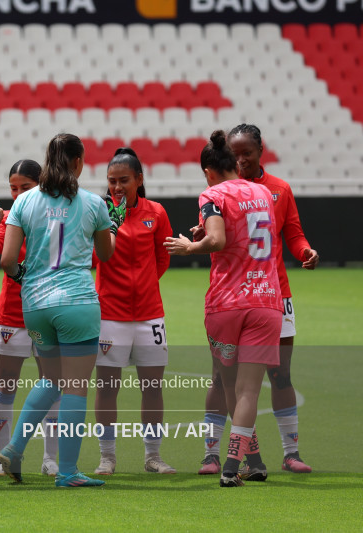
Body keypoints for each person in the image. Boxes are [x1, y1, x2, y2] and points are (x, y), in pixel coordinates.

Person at [0, 133, 123, 488]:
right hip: (77, 305)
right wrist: (114, 225)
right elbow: (107, 254)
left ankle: (16, 448)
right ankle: (67, 472)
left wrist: (26, 279)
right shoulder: (94, 204)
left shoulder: (24, 202)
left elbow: (7, 260)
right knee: (75, 388)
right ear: (79, 163)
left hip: (35, 307)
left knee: (51, 380)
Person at [194, 124, 318, 477]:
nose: (242, 158)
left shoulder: (276, 189)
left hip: (264, 294)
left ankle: (288, 453)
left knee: (278, 375)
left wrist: (305, 250)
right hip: (263, 298)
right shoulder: (253, 193)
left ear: (260, 151)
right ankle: (217, 454)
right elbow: (217, 233)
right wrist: (201, 233)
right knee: (225, 380)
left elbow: (292, 233)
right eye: (236, 153)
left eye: (247, 152)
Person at [165, 130, 283, 487]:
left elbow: (217, 240)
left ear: (208, 171)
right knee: (250, 390)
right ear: (234, 163)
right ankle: (253, 462)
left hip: (227, 303)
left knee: (230, 385)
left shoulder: (211, 194)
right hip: (266, 300)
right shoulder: (263, 192)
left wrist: (190, 246)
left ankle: (230, 467)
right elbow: (248, 235)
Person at [92, 148, 174, 475]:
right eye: (112, 181)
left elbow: (162, 257)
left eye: (124, 180)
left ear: (139, 180)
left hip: (150, 315)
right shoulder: (100, 212)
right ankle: (107, 457)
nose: (117, 187)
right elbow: (95, 257)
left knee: (152, 388)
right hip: (109, 314)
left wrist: (143, 286)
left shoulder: (156, 212)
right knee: (107, 389)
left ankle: (153, 455)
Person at [0, 159, 61, 477]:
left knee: (53, 383)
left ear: (41, 184)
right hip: (12, 315)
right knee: (5, 385)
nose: (17, 195)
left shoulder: (55, 216)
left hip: (46, 313)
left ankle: (49, 459)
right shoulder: (9, 217)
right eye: (13, 188)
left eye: (25, 188)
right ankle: (4, 459)